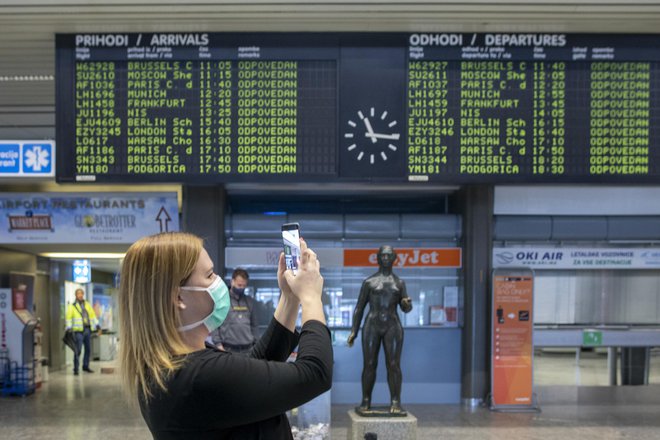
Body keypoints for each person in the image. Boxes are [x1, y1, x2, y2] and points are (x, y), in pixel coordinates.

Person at [118, 232, 332, 439]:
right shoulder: (198, 377)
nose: (219, 282)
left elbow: (256, 366)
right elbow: (315, 373)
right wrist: (311, 297)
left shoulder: (172, 367)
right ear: (178, 297)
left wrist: (290, 297)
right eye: (210, 275)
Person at [347, 245, 413, 415]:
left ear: (394, 258)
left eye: (388, 256)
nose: (385, 258)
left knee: (393, 365)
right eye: (382, 255)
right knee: (369, 364)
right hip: (372, 325)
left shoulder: (399, 283)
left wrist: (407, 304)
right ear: (377, 258)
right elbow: (359, 308)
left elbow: (406, 307)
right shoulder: (369, 282)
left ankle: (396, 401)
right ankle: (366, 401)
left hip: (392, 325)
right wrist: (354, 330)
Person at [210, 268, 259, 353]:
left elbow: (254, 325)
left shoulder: (250, 301)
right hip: (227, 349)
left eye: (244, 286)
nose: (242, 288)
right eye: (239, 285)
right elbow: (214, 324)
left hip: (248, 349)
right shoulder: (221, 300)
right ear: (232, 281)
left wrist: (256, 344)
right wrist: (218, 345)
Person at [65, 288, 101, 375]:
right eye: (78, 294)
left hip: (87, 329)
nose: (80, 295)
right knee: (78, 350)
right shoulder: (72, 306)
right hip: (78, 332)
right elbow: (68, 318)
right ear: (76, 295)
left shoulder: (87, 305)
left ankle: (85, 366)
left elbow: (92, 316)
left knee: (88, 349)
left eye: (81, 294)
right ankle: (76, 368)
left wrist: (98, 325)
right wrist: (69, 328)